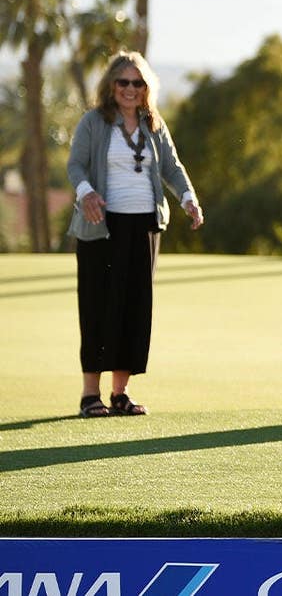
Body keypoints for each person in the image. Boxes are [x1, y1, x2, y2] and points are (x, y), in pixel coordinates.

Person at [66, 51, 204, 418]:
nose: (130, 89)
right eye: (123, 82)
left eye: (137, 83)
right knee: (97, 306)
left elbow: (173, 168)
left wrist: (189, 199)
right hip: (101, 227)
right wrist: (87, 193)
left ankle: (121, 393)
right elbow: (76, 164)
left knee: (134, 308)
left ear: (146, 88)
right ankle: (90, 394)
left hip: (144, 226)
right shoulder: (94, 122)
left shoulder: (153, 124)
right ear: (111, 86)